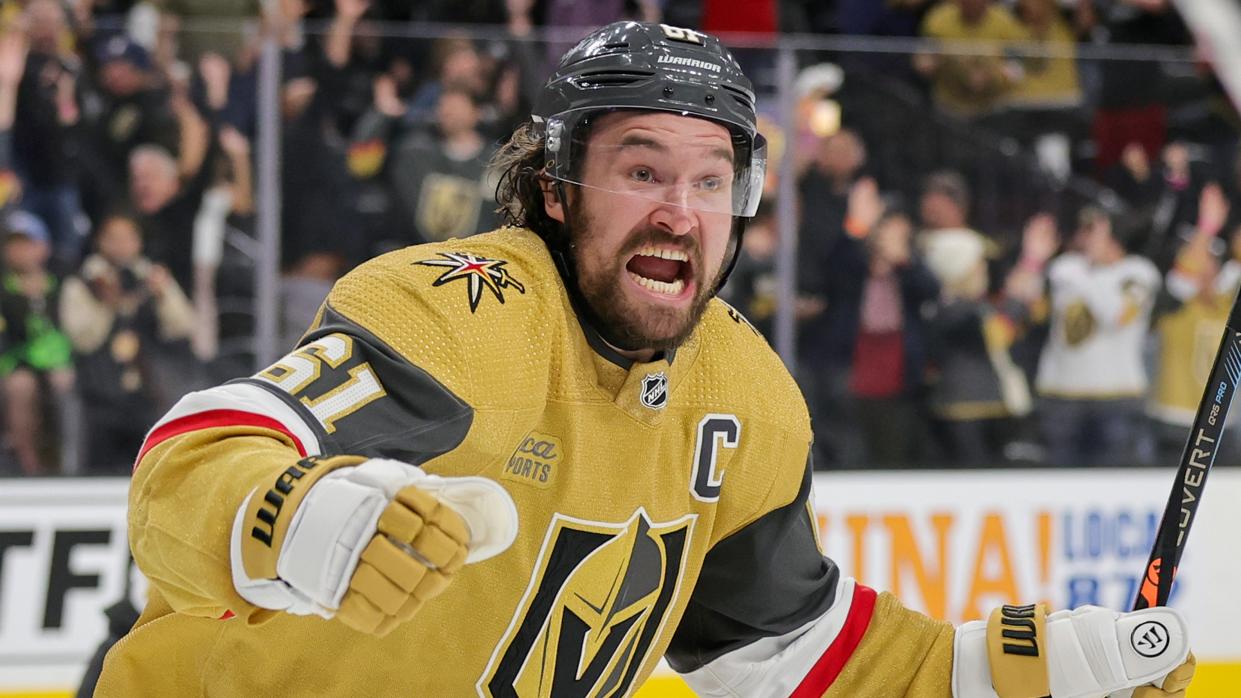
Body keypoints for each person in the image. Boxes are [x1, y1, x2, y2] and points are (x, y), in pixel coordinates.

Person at [95, 21, 1195, 697]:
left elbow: (788, 655)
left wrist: (1011, 668)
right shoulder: (465, 304)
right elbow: (195, 463)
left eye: (709, 179)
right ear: (556, 188)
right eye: (641, 168)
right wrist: (308, 512)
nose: (679, 208)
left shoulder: (746, 396)